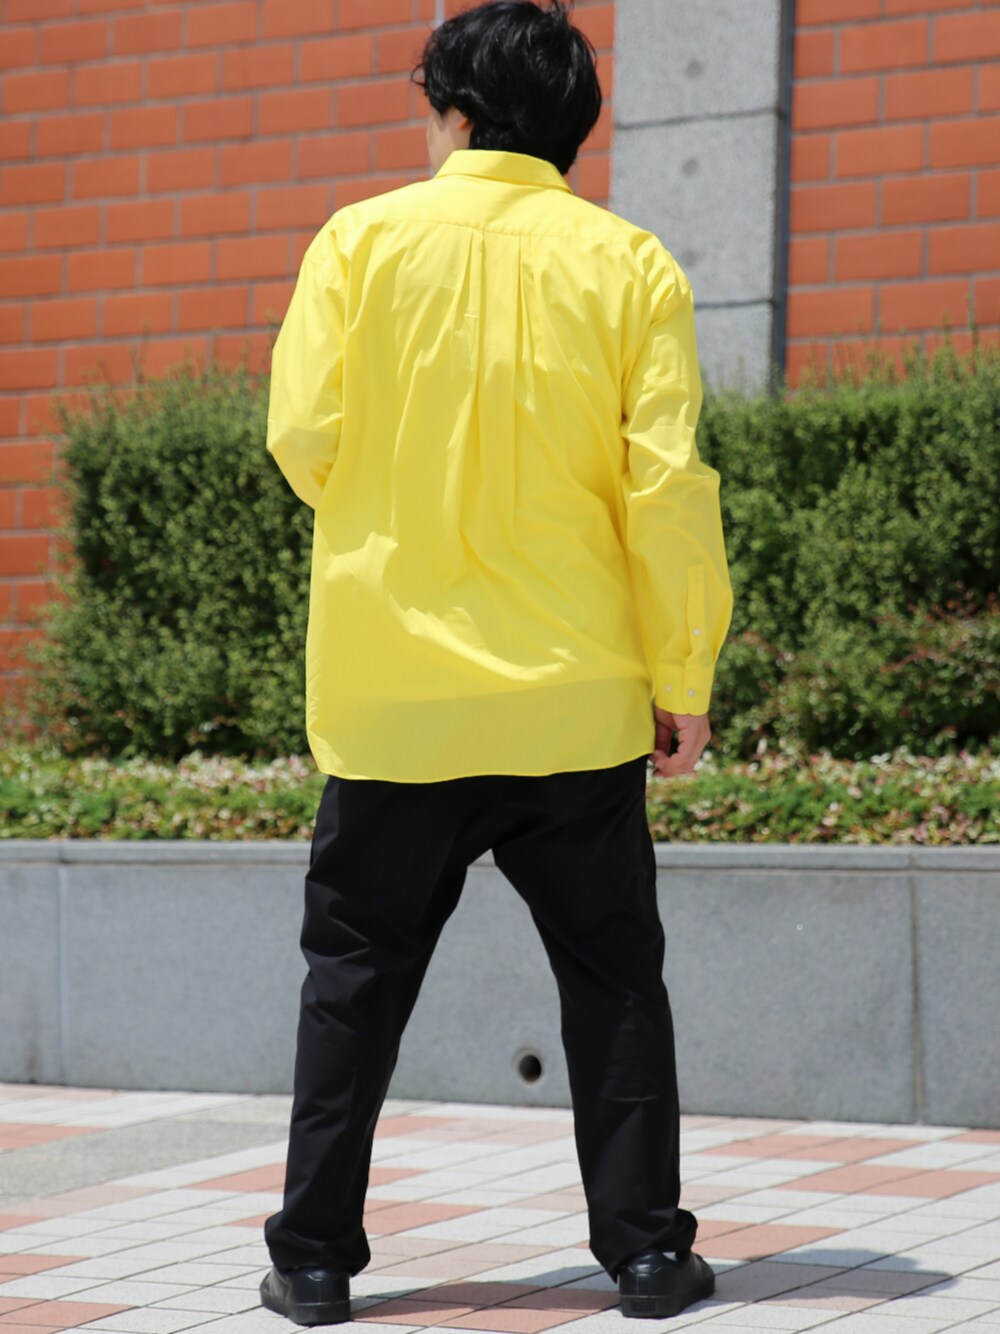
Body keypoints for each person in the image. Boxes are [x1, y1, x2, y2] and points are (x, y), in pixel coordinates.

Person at [258, 0, 733, 1324]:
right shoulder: (629, 264)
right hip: (574, 706)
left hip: (395, 700)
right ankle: (647, 1253)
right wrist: (683, 676)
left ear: (455, 111)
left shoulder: (359, 242)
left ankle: (313, 1258)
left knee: (354, 980)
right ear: (571, 129)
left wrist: (401, 510)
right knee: (613, 976)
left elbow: (304, 436)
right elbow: (667, 489)